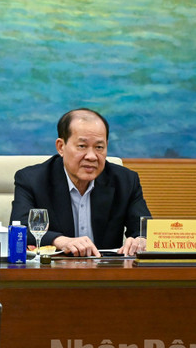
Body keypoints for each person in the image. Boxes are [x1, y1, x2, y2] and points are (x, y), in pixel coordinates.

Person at [9, 108, 151, 257]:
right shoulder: (32, 179)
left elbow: (144, 228)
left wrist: (141, 239)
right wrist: (61, 241)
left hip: (106, 273)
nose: (91, 156)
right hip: (53, 273)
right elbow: (20, 229)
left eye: (99, 147)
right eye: (82, 146)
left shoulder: (125, 181)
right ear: (61, 147)